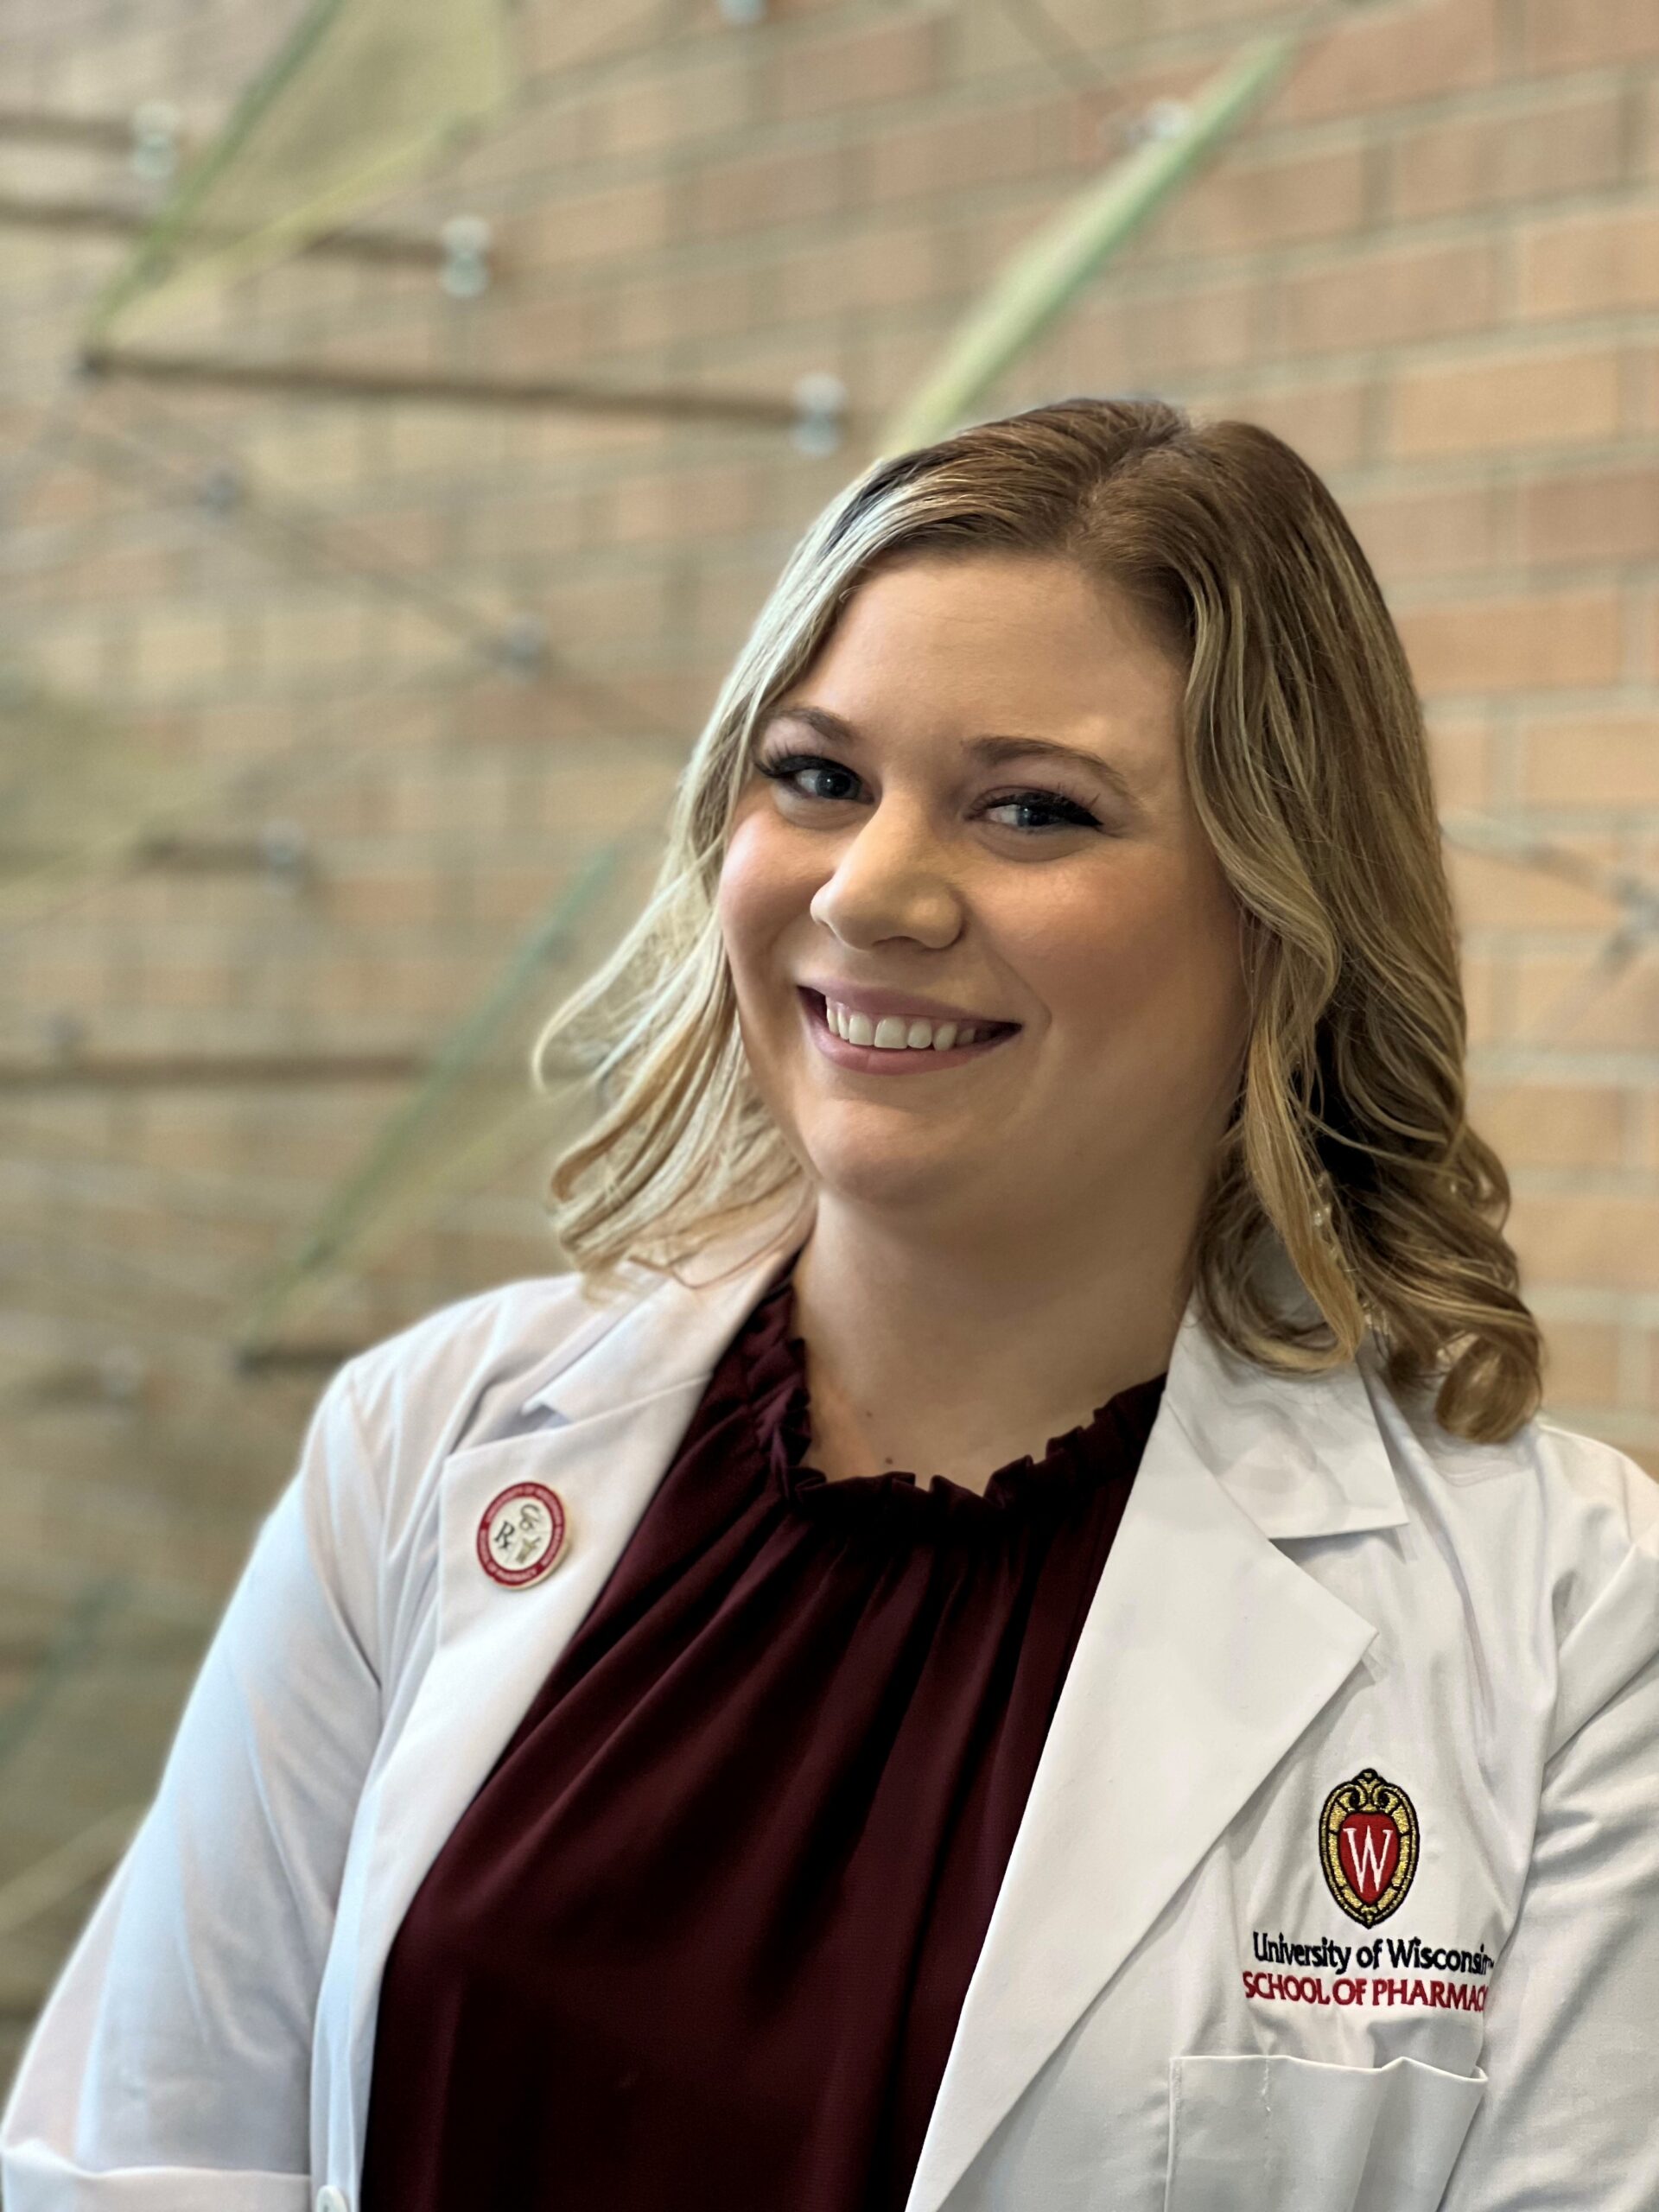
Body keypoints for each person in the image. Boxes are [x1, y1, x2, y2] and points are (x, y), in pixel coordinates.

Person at [3, 397, 1656, 2212]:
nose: (873, 889)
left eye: (1035, 807)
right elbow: (142, 2159)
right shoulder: (427, 1442)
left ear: (1285, 911)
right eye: (817, 776)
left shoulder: (1574, 1620)